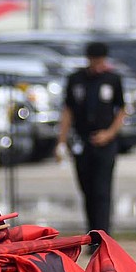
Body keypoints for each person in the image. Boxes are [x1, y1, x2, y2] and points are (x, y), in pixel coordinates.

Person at [56, 40, 126, 236]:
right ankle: (92, 232)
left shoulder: (113, 79)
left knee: (102, 190)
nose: (97, 64)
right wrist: (61, 141)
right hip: (82, 141)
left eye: (100, 60)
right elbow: (68, 110)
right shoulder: (76, 80)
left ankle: (103, 235)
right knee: (87, 189)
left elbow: (121, 110)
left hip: (105, 142)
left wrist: (109, 133)